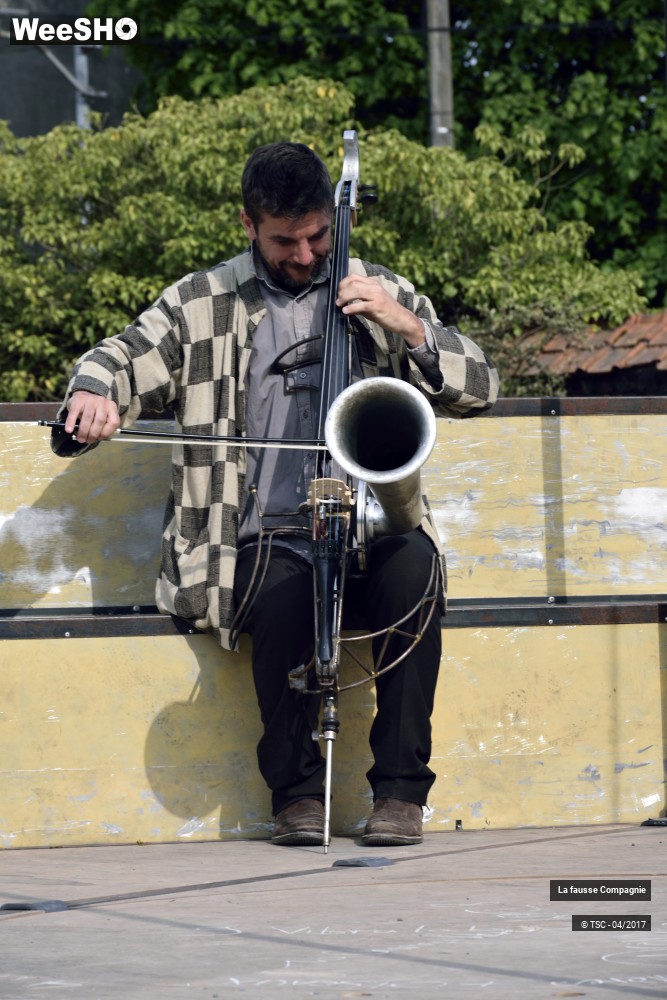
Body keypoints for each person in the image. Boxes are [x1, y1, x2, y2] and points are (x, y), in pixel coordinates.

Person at [53, 141, 499, 847]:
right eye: (284, 240)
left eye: (320, 235)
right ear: (248, 226)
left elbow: (479, 386)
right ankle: (295, 793)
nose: (303, 254)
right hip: (262, 536)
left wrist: (406, 326)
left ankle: (400, 795)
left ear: (336, 218)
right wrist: (94, 393)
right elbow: (119, 356)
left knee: (416, 571)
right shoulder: (202, 301)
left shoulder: (379, 290)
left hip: (369, 529)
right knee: (287, 585)